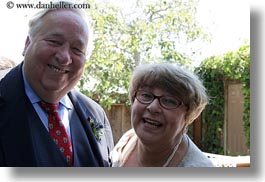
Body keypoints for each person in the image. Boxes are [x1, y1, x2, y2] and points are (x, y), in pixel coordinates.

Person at [0, 1, 114, 167]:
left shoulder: (96, 115)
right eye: (54, 41)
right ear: (27, 44)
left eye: (77, 49)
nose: (64, 58)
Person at [110, 62, 215, 167]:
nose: (153, 107)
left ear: (188, 115)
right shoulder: (127, 141)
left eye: (169, 101)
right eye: (146, 95)